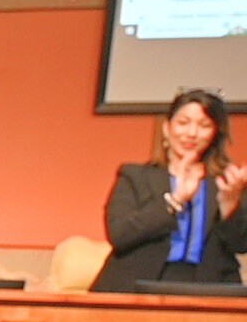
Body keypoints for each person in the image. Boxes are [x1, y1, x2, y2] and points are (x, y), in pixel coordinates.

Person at [91, 88, 247, 292]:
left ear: (215, 133)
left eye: (204, 125)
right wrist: (175, 200)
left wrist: (230, 206)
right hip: (137, 284)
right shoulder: (135, 176)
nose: (192, 133)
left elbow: (241, 244)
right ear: (167, 128)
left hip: (209, 287)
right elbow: (120, 235)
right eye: (183, 123)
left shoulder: (227, 182)